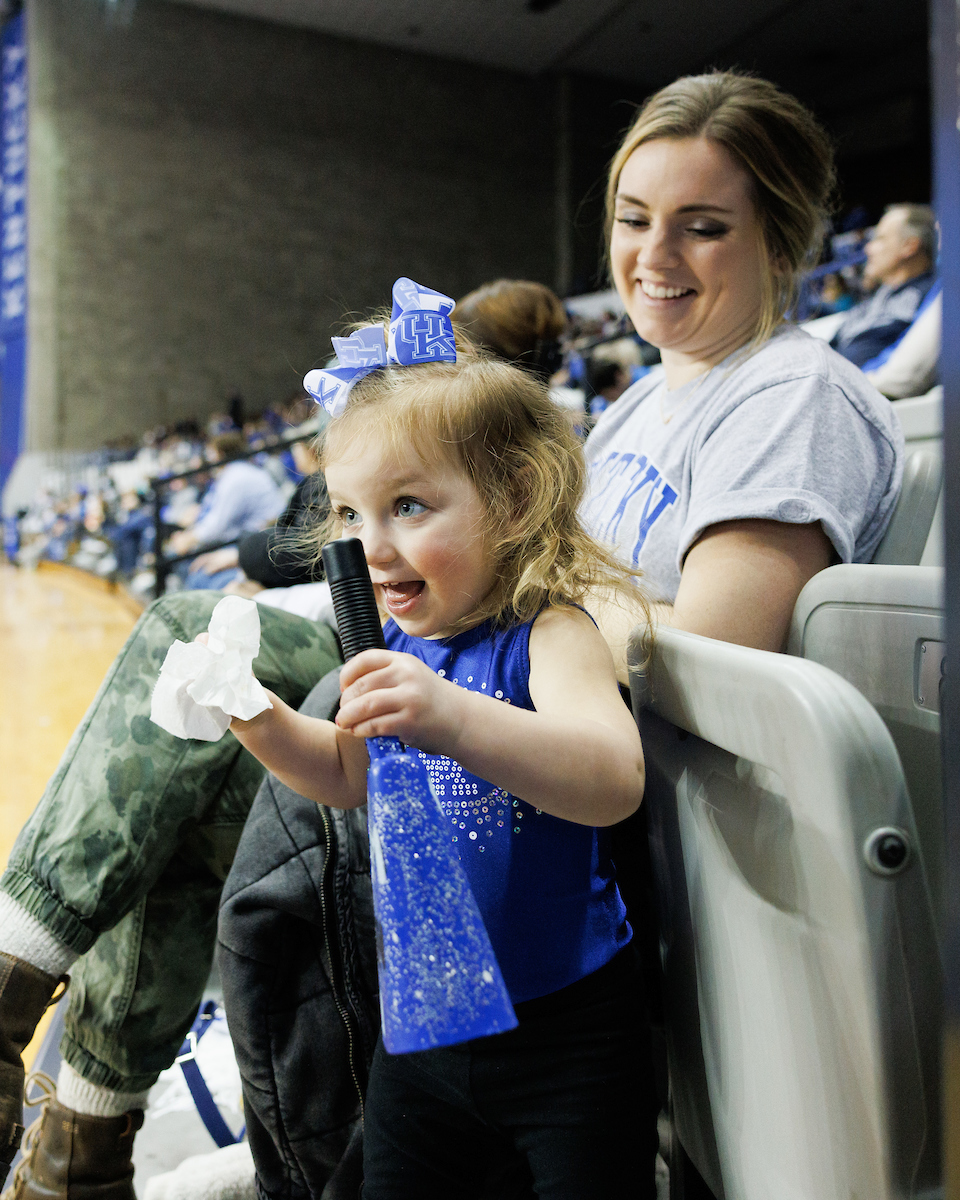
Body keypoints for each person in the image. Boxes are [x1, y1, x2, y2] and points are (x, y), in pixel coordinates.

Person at [0, 71, 904, 1195]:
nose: (654, 255)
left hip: (572, 807)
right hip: (474, 705)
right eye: (632, 221)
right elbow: (364, 746)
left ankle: (86, 1075)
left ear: (784, 233)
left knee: (189, 639)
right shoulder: (645, 401)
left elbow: (706, 645)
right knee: (199, 704)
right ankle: (87, 1104)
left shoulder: (791, 398)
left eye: (703, 226)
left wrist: (541, 594)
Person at [226, 312, 660, 1199]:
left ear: (512, 496)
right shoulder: (394, 643)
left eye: (409, 506)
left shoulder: (550, 634)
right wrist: (259, 719)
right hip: (423, 1025)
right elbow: (350, 776)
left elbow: (613, 781)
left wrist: (454, 718)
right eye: (350, 512)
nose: (371, 545)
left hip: (569, 1035)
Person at [829, 203, 937, 368]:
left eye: (880, 238)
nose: (868, 248)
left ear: (909, 246)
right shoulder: (881, 294)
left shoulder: (927, 298)